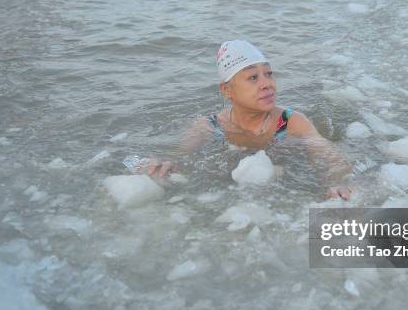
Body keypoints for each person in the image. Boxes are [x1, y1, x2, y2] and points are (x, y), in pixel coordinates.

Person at [139, 40, 355, 200]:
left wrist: (339, 182)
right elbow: (179, 156)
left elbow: (329, 155)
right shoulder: (210, 125)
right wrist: (165, 164)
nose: (266, 83)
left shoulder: (289, 121)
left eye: (269, 74)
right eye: (253, 77)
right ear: (227, 90)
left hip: (286, 180)